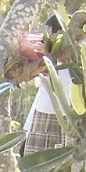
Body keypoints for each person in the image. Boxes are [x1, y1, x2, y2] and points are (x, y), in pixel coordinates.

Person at [21, 17, 73, 157]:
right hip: (65, 110)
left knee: (37, 157)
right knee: (55, 157)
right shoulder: (73, 52)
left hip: (46, 108)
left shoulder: (53, 54)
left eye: (49, 31)